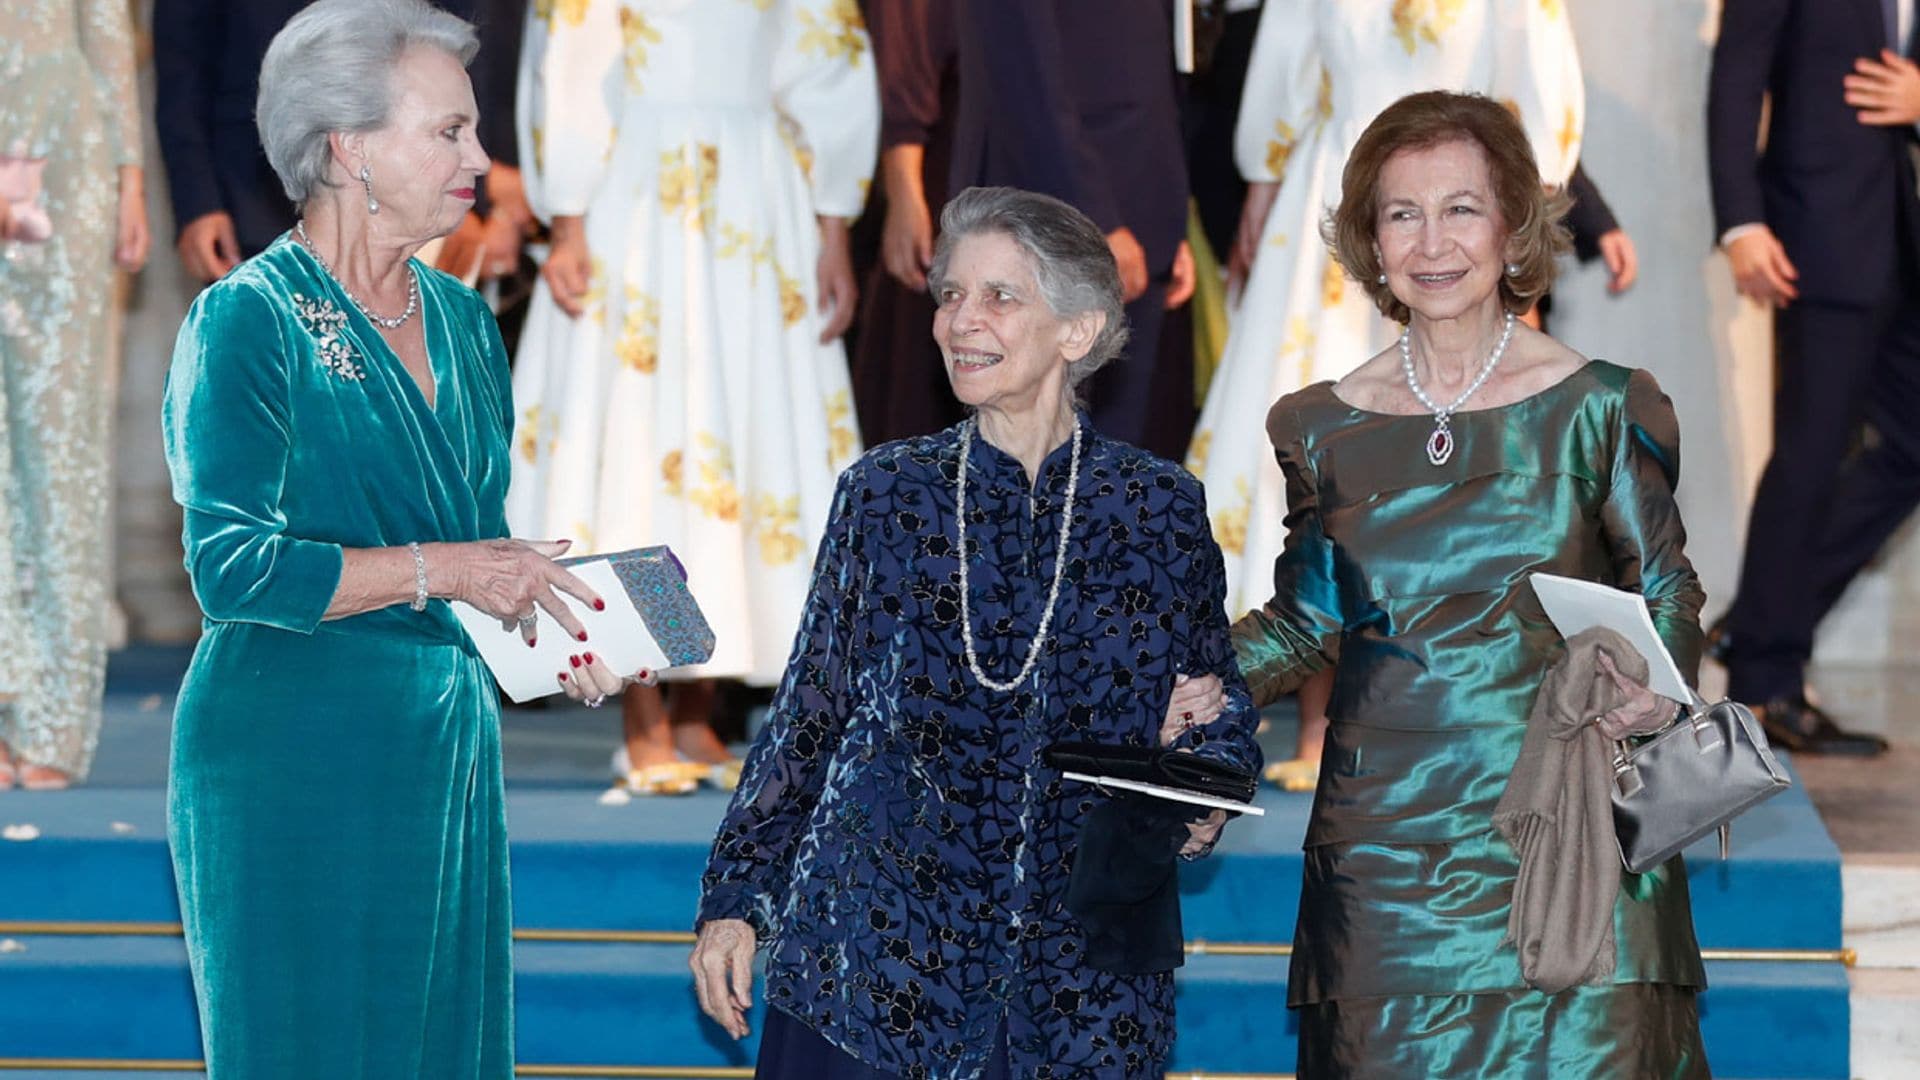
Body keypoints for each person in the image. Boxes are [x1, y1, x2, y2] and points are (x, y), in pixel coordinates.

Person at [161, 2, 648, 1072]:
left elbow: (476, 546)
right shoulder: (247, 318)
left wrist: (555, 632)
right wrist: (449, 569)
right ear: (348, 147)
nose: (481, 158)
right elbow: (230, 567)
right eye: (448, 132)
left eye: (474, 130)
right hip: (289, 752)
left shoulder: (470, 322)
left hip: (443, 753)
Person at [691, 186, 1260, 1078]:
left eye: (1000, 295)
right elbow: (810, 713)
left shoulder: (1159, 507)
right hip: (880, 953)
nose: (962, 319)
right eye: (950, 294)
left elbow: (1217, 702)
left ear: (1077, 331)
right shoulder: (886, 493)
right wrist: (736, 898)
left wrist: (1199, 785)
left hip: (1083, 969)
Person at [1232, 91, 1709, 1075]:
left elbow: (1669, 595)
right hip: (1383, 865)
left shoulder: (1601, 407)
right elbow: (1303, 624)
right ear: (1371, 239)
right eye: (1402, 213)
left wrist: (1648, 692)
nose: (1432, 241)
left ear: (1513, 227)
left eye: (1462, 207)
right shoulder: (1321, 426)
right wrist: (1188, 681)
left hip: (1571, 835)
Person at [1186, 0, 1585, 794]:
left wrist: (1520, 246)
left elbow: (1540, 90)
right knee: (1319, 472)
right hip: (1333, 210)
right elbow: (1281, 75)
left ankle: (1474, 710)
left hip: (1466, 217)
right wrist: (1262, 193)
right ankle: (1317, 722)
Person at [507, 0, 878, 795]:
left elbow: (827, 57)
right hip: (637, 197)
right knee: (643, 444)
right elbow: (567, 58)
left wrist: (834, 227)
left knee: (739, 448)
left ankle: (696, 707)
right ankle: (641, 712)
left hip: (756, 196)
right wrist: (566, 218)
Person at [1704, 0, 1914, 755]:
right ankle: (1764, 682)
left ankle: (1761, 623)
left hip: (1906, 232)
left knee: (1910, 448)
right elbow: (1737, 72)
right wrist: (1740, 221)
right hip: (1818, 232)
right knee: (1812, 452)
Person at [0, 0, 149, 791]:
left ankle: (50, 717)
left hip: (63, 165)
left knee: (60, 442)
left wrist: (128, 179)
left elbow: (106, 35)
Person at [947, 1, 1197, 463]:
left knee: (1110, 468)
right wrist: (1097, 219)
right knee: (1030, 463)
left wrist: (1170, 205)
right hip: (1051, 215)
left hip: (1142, 207)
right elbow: (1021, 70)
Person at [153, 0, 481, 282]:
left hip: (404, 179)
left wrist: (467, 196)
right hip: (253, 187)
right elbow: (182, 71)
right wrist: (197, 203)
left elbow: (458, 49)